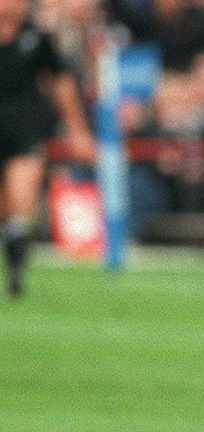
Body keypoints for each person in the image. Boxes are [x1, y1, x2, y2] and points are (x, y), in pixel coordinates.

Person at [0, 0, 95, 296]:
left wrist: (78, 129)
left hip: (24, 130)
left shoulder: (37, 38)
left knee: (22, 196)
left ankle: (16, 270)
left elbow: (61, 82)